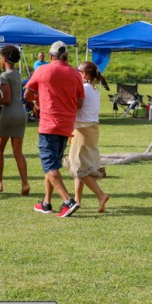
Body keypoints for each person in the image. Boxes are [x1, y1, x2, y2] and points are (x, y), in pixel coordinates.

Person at [25, 41, 85, 217]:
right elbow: (80, 102)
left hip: (49, 123)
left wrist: (38, 99)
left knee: (49, 164)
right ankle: (46, 203)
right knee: (53, 164)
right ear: (66, 57)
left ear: (51, 56)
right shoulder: (75, 74)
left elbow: (27, 94)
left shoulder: (42, 70)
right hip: (66, 125)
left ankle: (68, 201)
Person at [0, 45, 30, 195]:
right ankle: (25, 183)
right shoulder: (17, 74)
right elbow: (11, 94)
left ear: (4, 58)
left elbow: (6, 99)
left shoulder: (4, 76)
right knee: (18, 153)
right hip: (21, 114)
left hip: (9, 115)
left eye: (0, 57)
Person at [67, 62, 109, 213]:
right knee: (81, 166)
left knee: (78, 166)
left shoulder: (84, 88)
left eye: (78, 71)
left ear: (84, 74)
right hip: (91, 128)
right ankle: (77, 200)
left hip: (82, 129)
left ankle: (101, 195)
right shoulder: (94, 89)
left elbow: (75, 105)